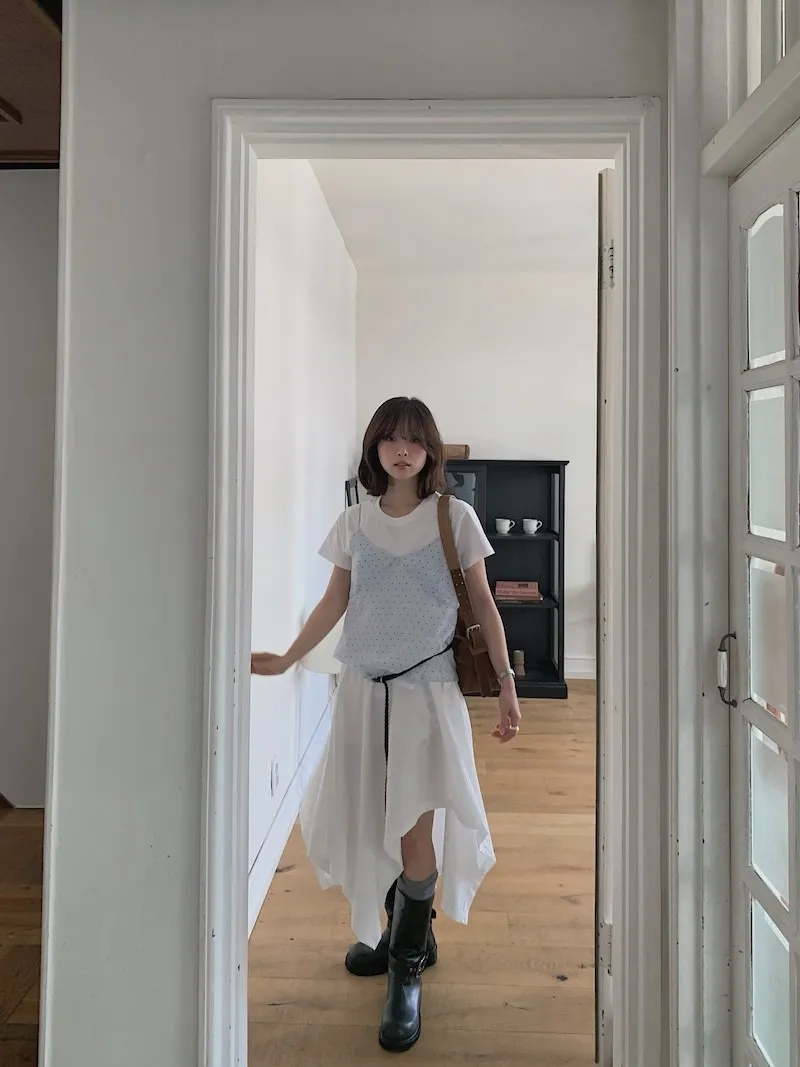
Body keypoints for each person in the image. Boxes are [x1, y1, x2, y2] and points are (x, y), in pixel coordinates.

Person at [251, 396, 522, 1053]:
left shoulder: (454, 518)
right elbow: (334, 602)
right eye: (390, 439)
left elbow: (483, 602)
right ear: (374, 447)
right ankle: (412, 934)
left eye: (415, 440)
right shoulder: (354, 521)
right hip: (362, 694)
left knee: (413, 825)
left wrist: (507, 684)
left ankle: (405, 971)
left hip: (426, 694)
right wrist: (286, 657)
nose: (403, 451)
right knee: (376, 815)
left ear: (430, 451)